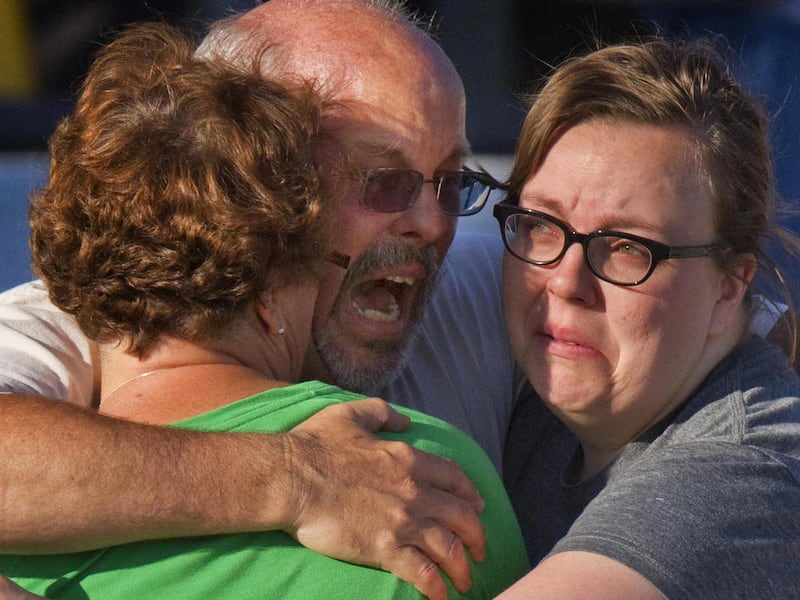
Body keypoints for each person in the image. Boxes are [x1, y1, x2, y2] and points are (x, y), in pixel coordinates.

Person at [0, 2, 518, 598]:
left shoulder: (507, 291)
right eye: (380, 179)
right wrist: (299, 478)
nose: (431, 223)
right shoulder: (441, 486)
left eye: (452, 184)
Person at [494, 37, 800, 598]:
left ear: (729, 287)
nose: (565, 282)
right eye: (541, 224)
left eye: (628, 247)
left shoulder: (738, 481)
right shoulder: (552, 401)